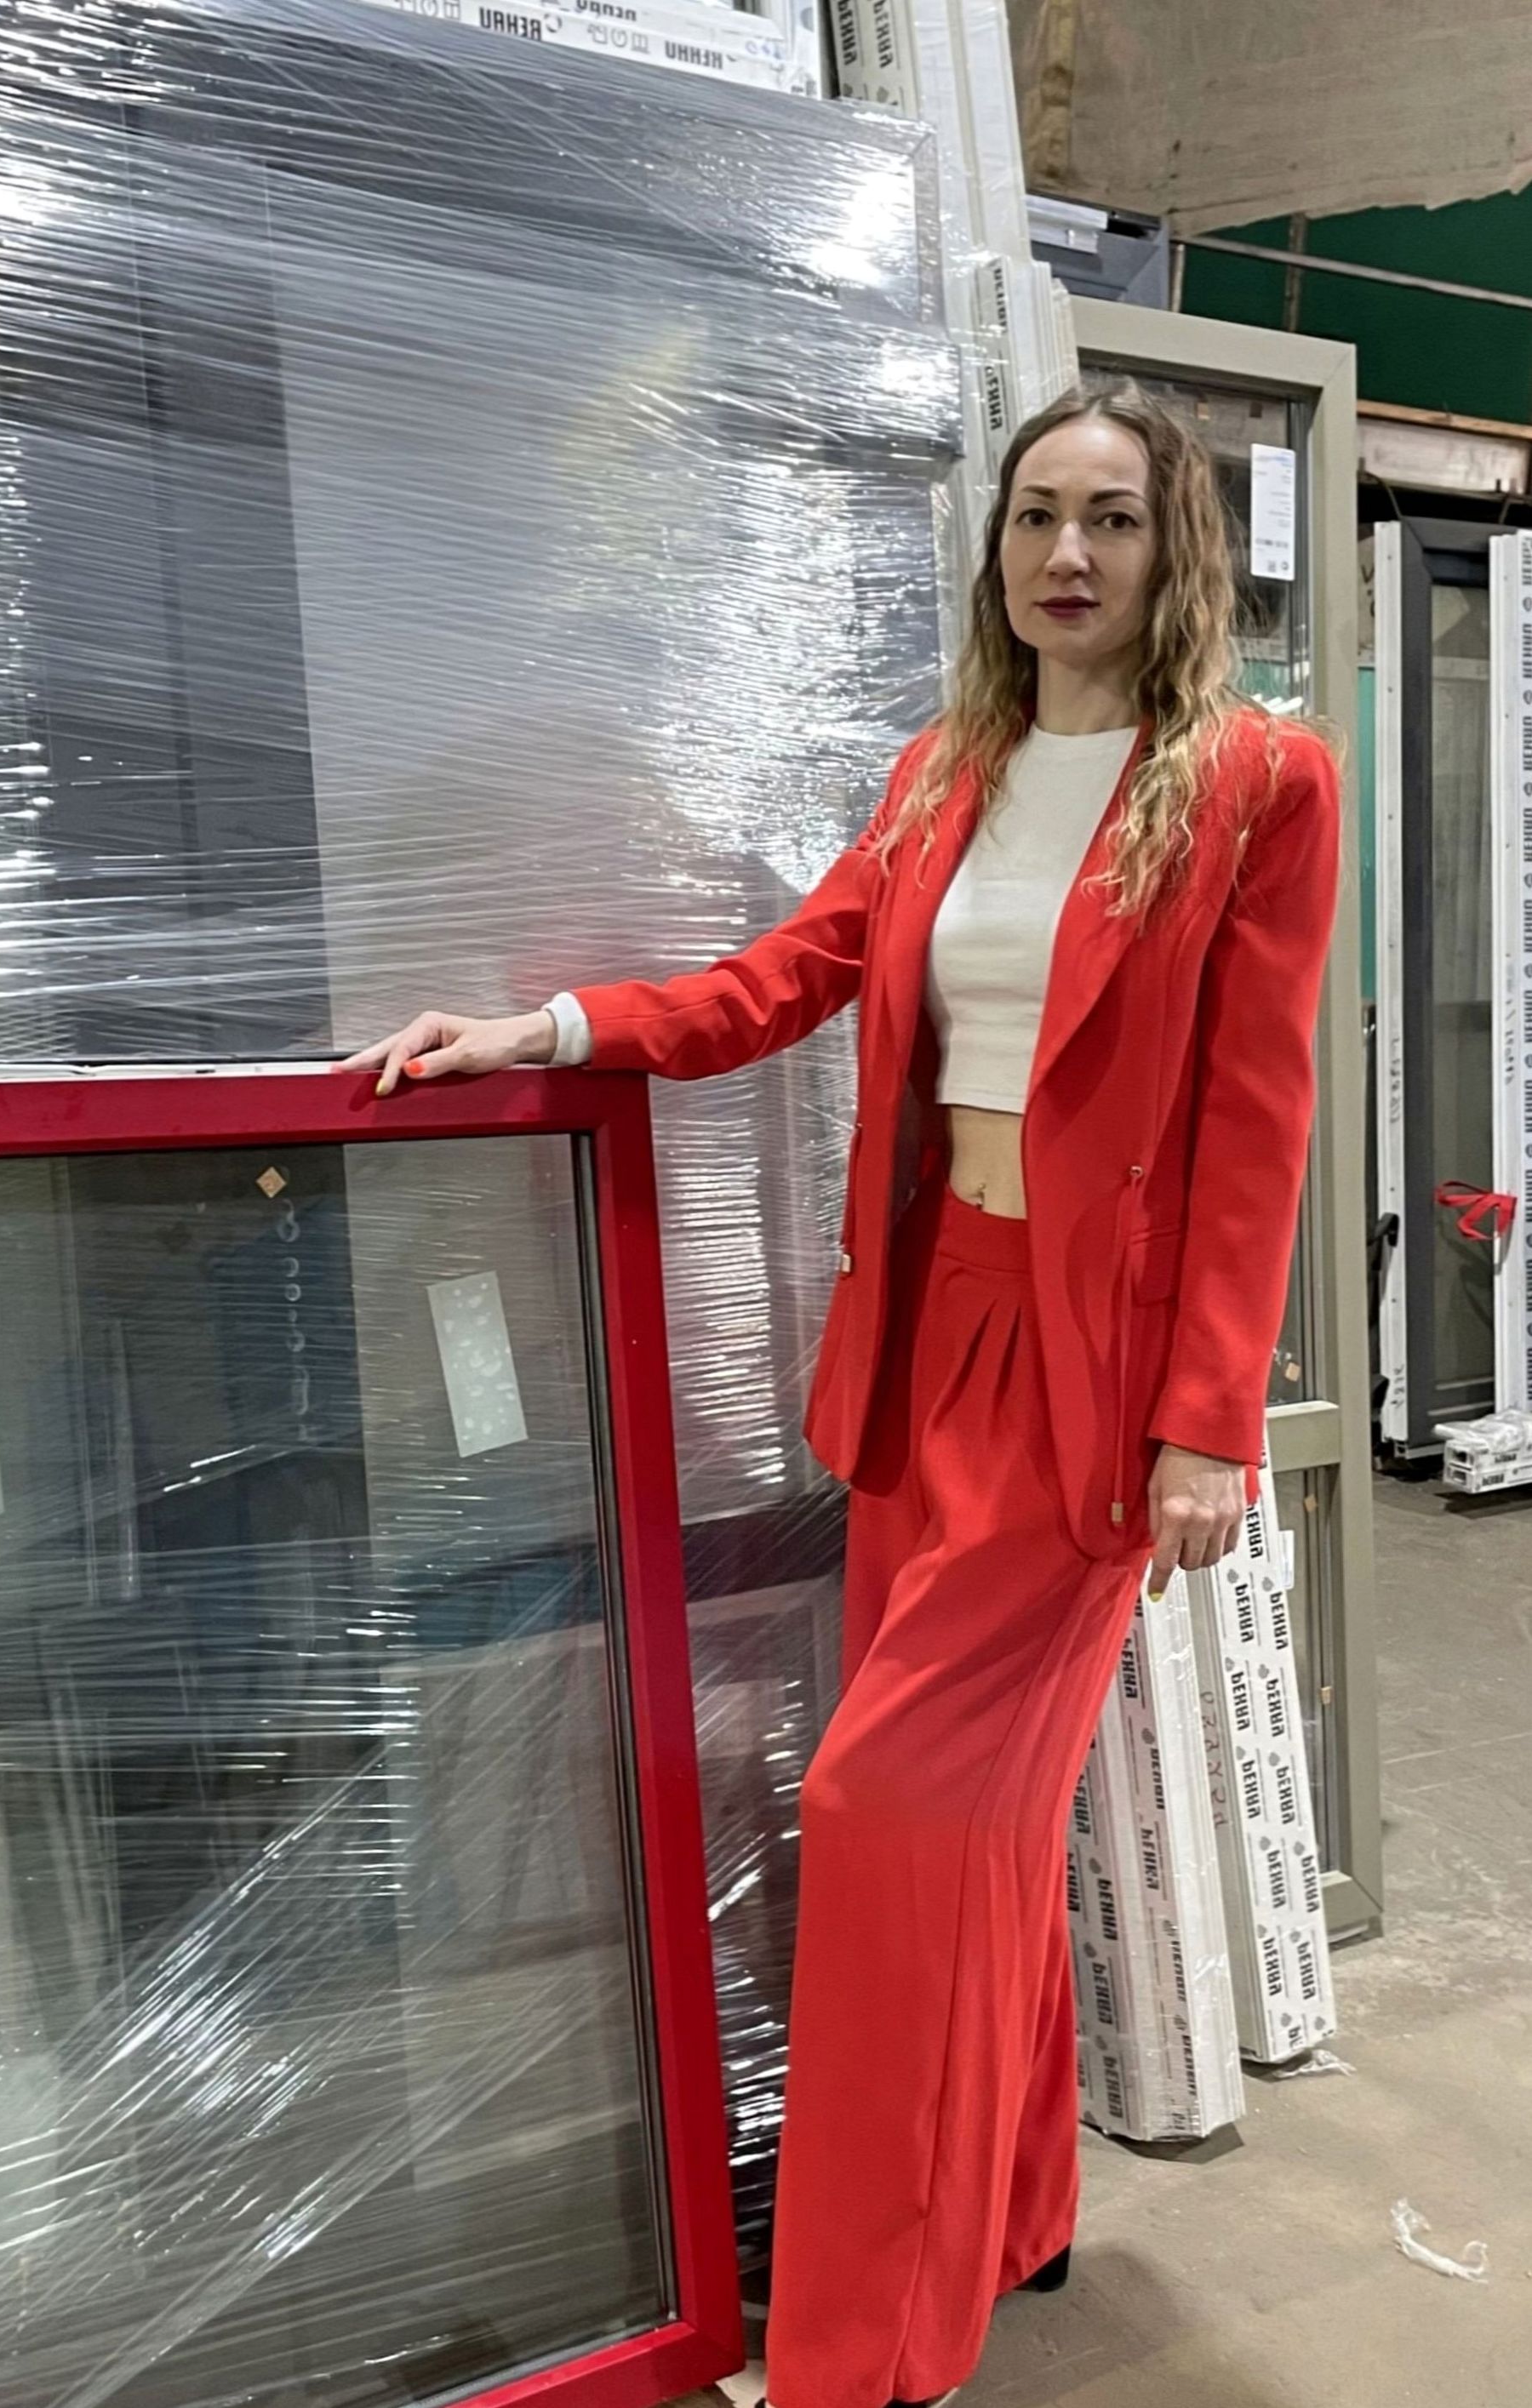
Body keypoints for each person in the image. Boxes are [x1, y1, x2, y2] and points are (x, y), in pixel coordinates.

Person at [334, 386, 1342, 2408]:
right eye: (1035, 515)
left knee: (884, 1811)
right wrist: (546, 1027)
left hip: (1092, 1379)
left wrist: (1205, 1422)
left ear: (1175, 549)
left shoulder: (1255, 782)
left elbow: (1256, 1115)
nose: (1066, 554)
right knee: (975, 1826)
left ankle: (867, 2344)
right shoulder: (943, 769)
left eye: (1111, 517)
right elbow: (779, 978)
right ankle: (1013, 2200)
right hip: (925, 1347)